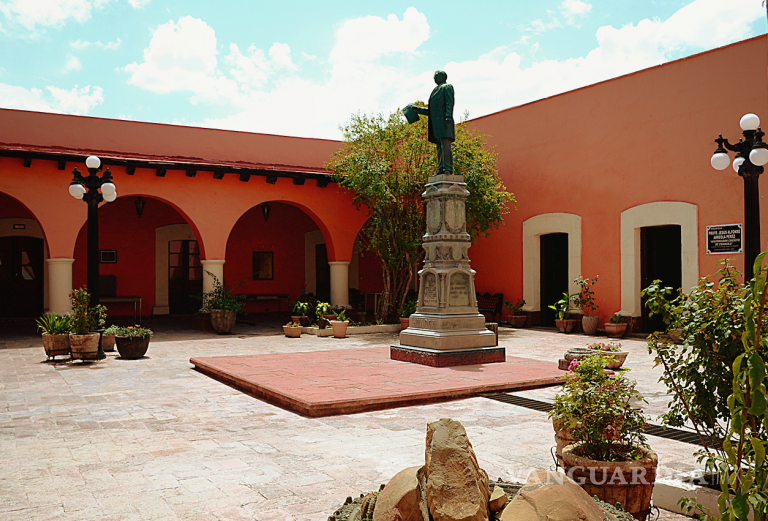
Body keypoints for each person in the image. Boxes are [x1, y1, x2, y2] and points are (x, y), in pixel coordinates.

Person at [403, 70, 455, 174]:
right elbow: (432, 111)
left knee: (445, 146)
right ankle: (441, 168)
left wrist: (448, 116)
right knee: (440, 147)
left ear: (442, 77)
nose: (434, 78)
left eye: (436, 76)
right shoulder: (435, 90)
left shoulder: (447, 87)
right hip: (437, 125)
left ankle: (448, 169)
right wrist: (418, 109)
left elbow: (449, 102)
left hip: (445, 122)